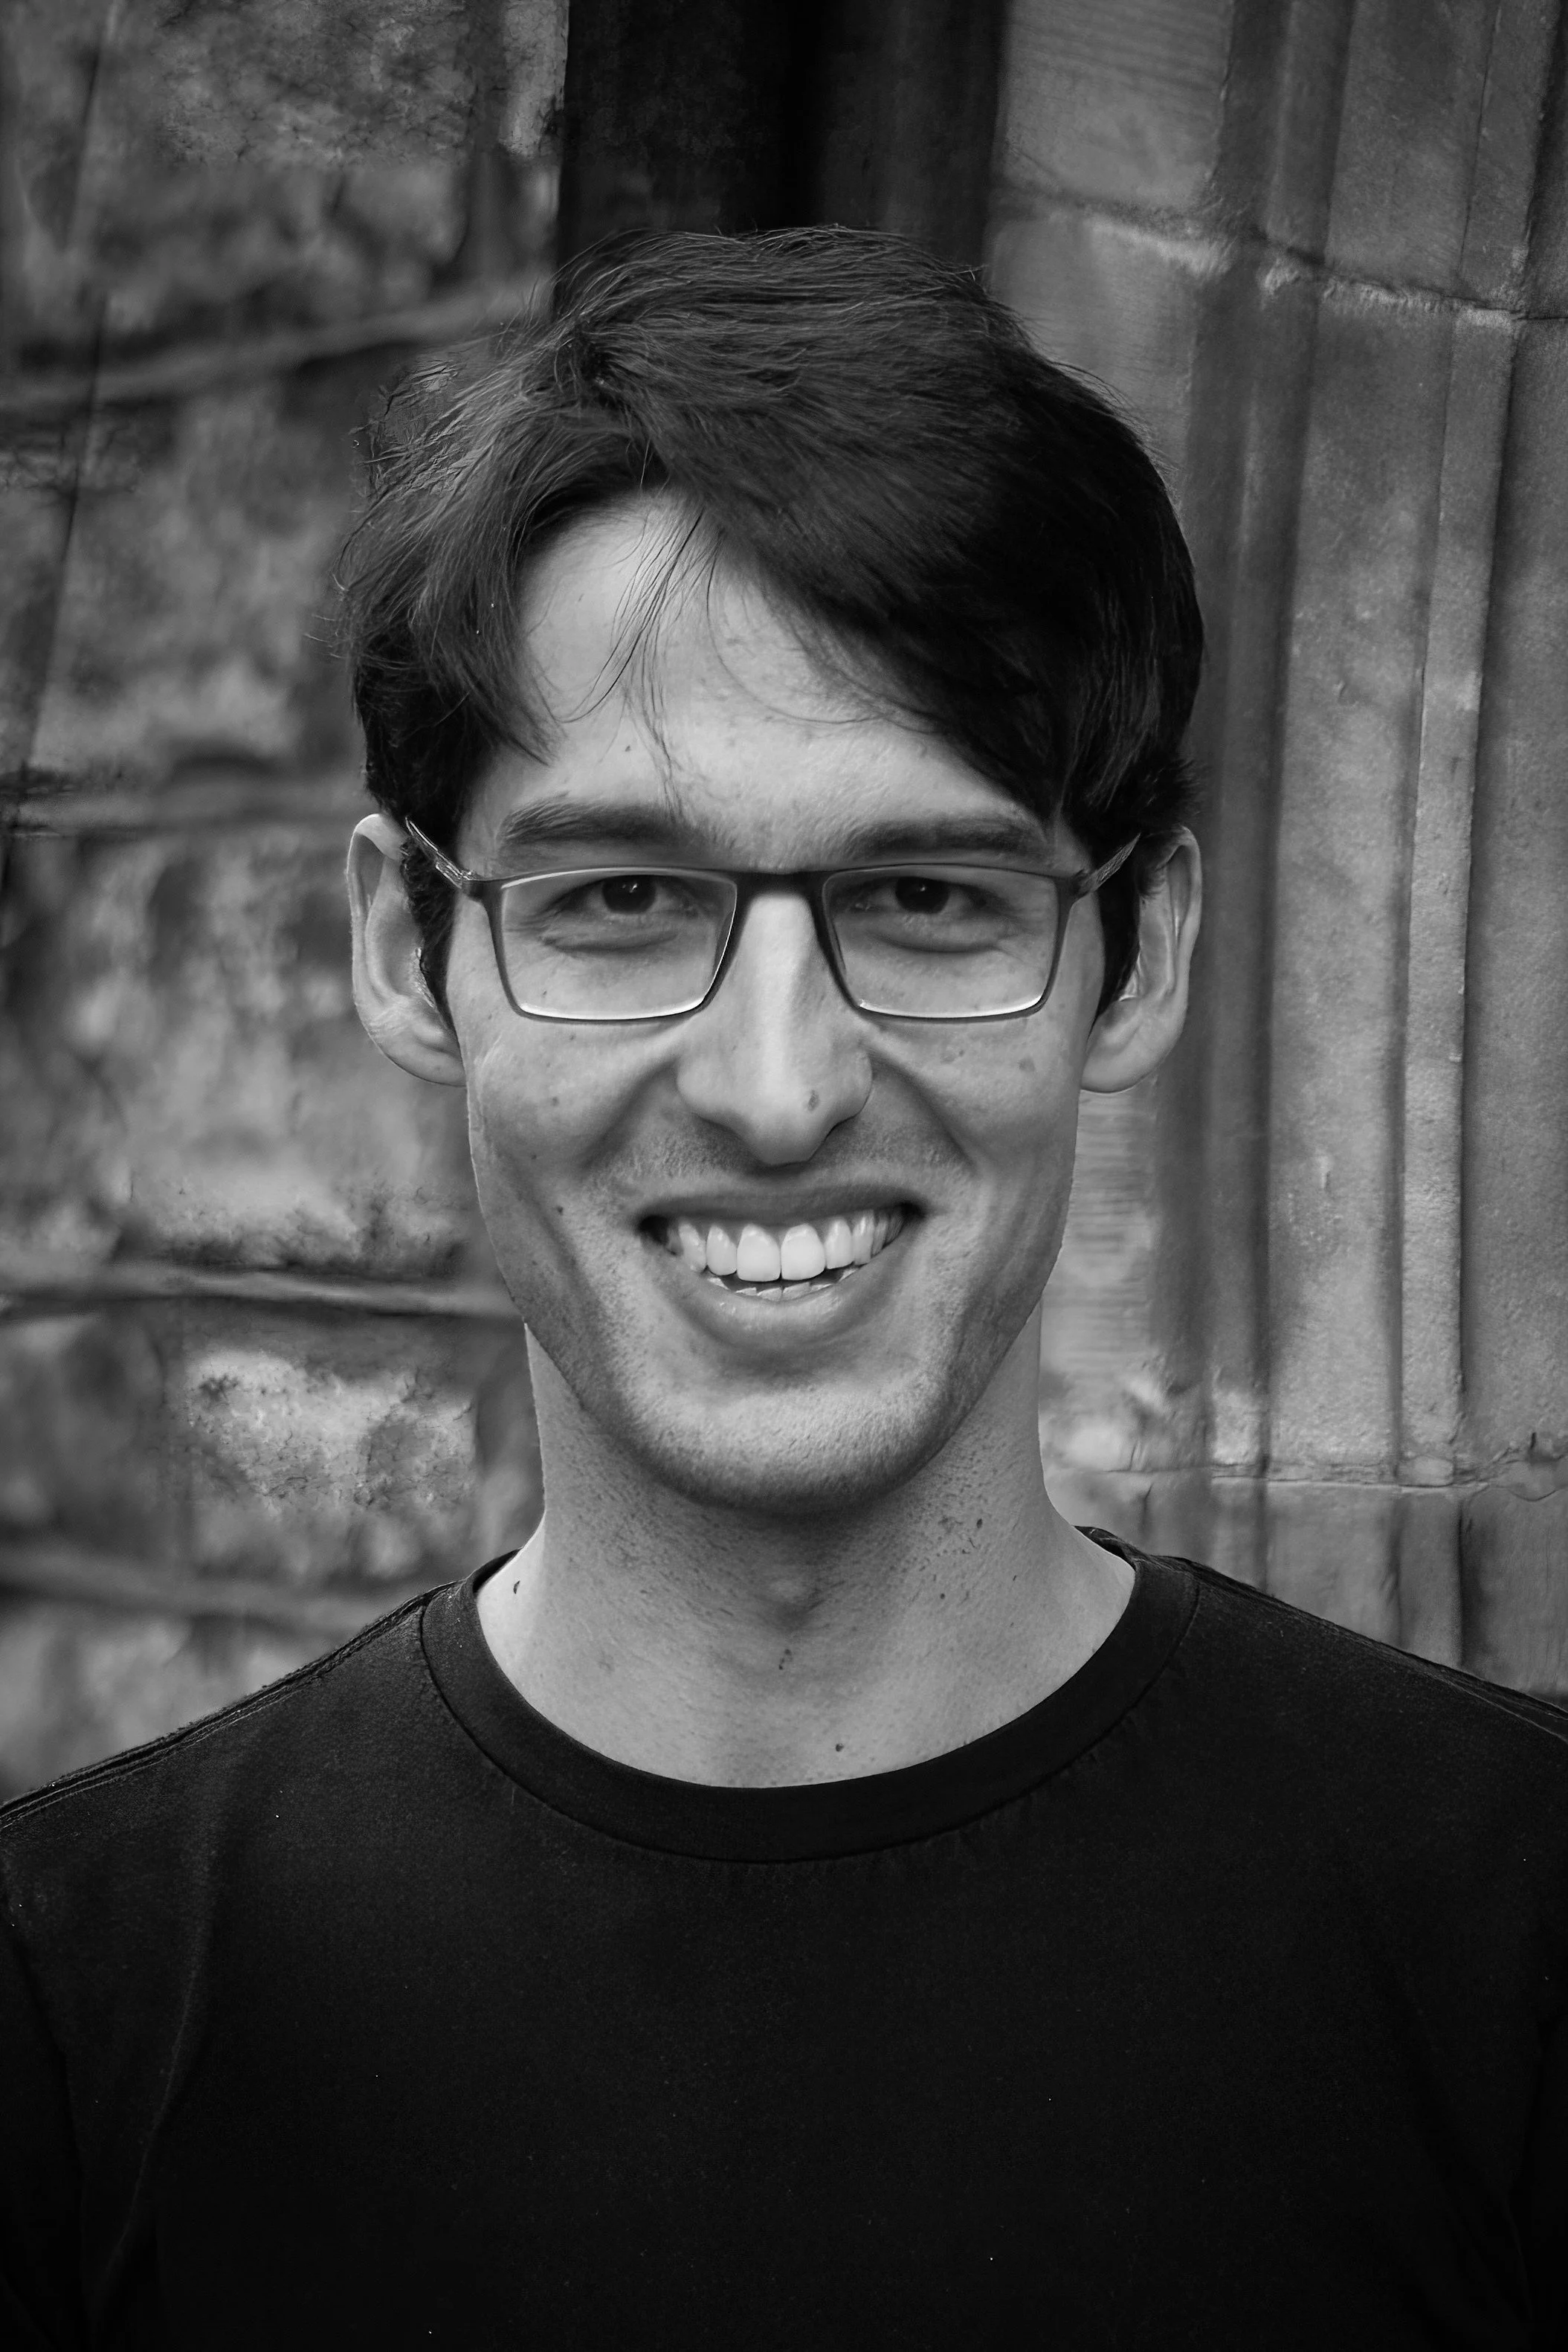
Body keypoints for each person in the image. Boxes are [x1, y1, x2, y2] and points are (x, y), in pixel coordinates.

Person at [2, 228, 1564, 2351]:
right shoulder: (71, 2021)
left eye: (924, 895)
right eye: (622, 897)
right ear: (403, 950)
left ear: (1140, 958)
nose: (772, 1086)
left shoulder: (1520, 1946)